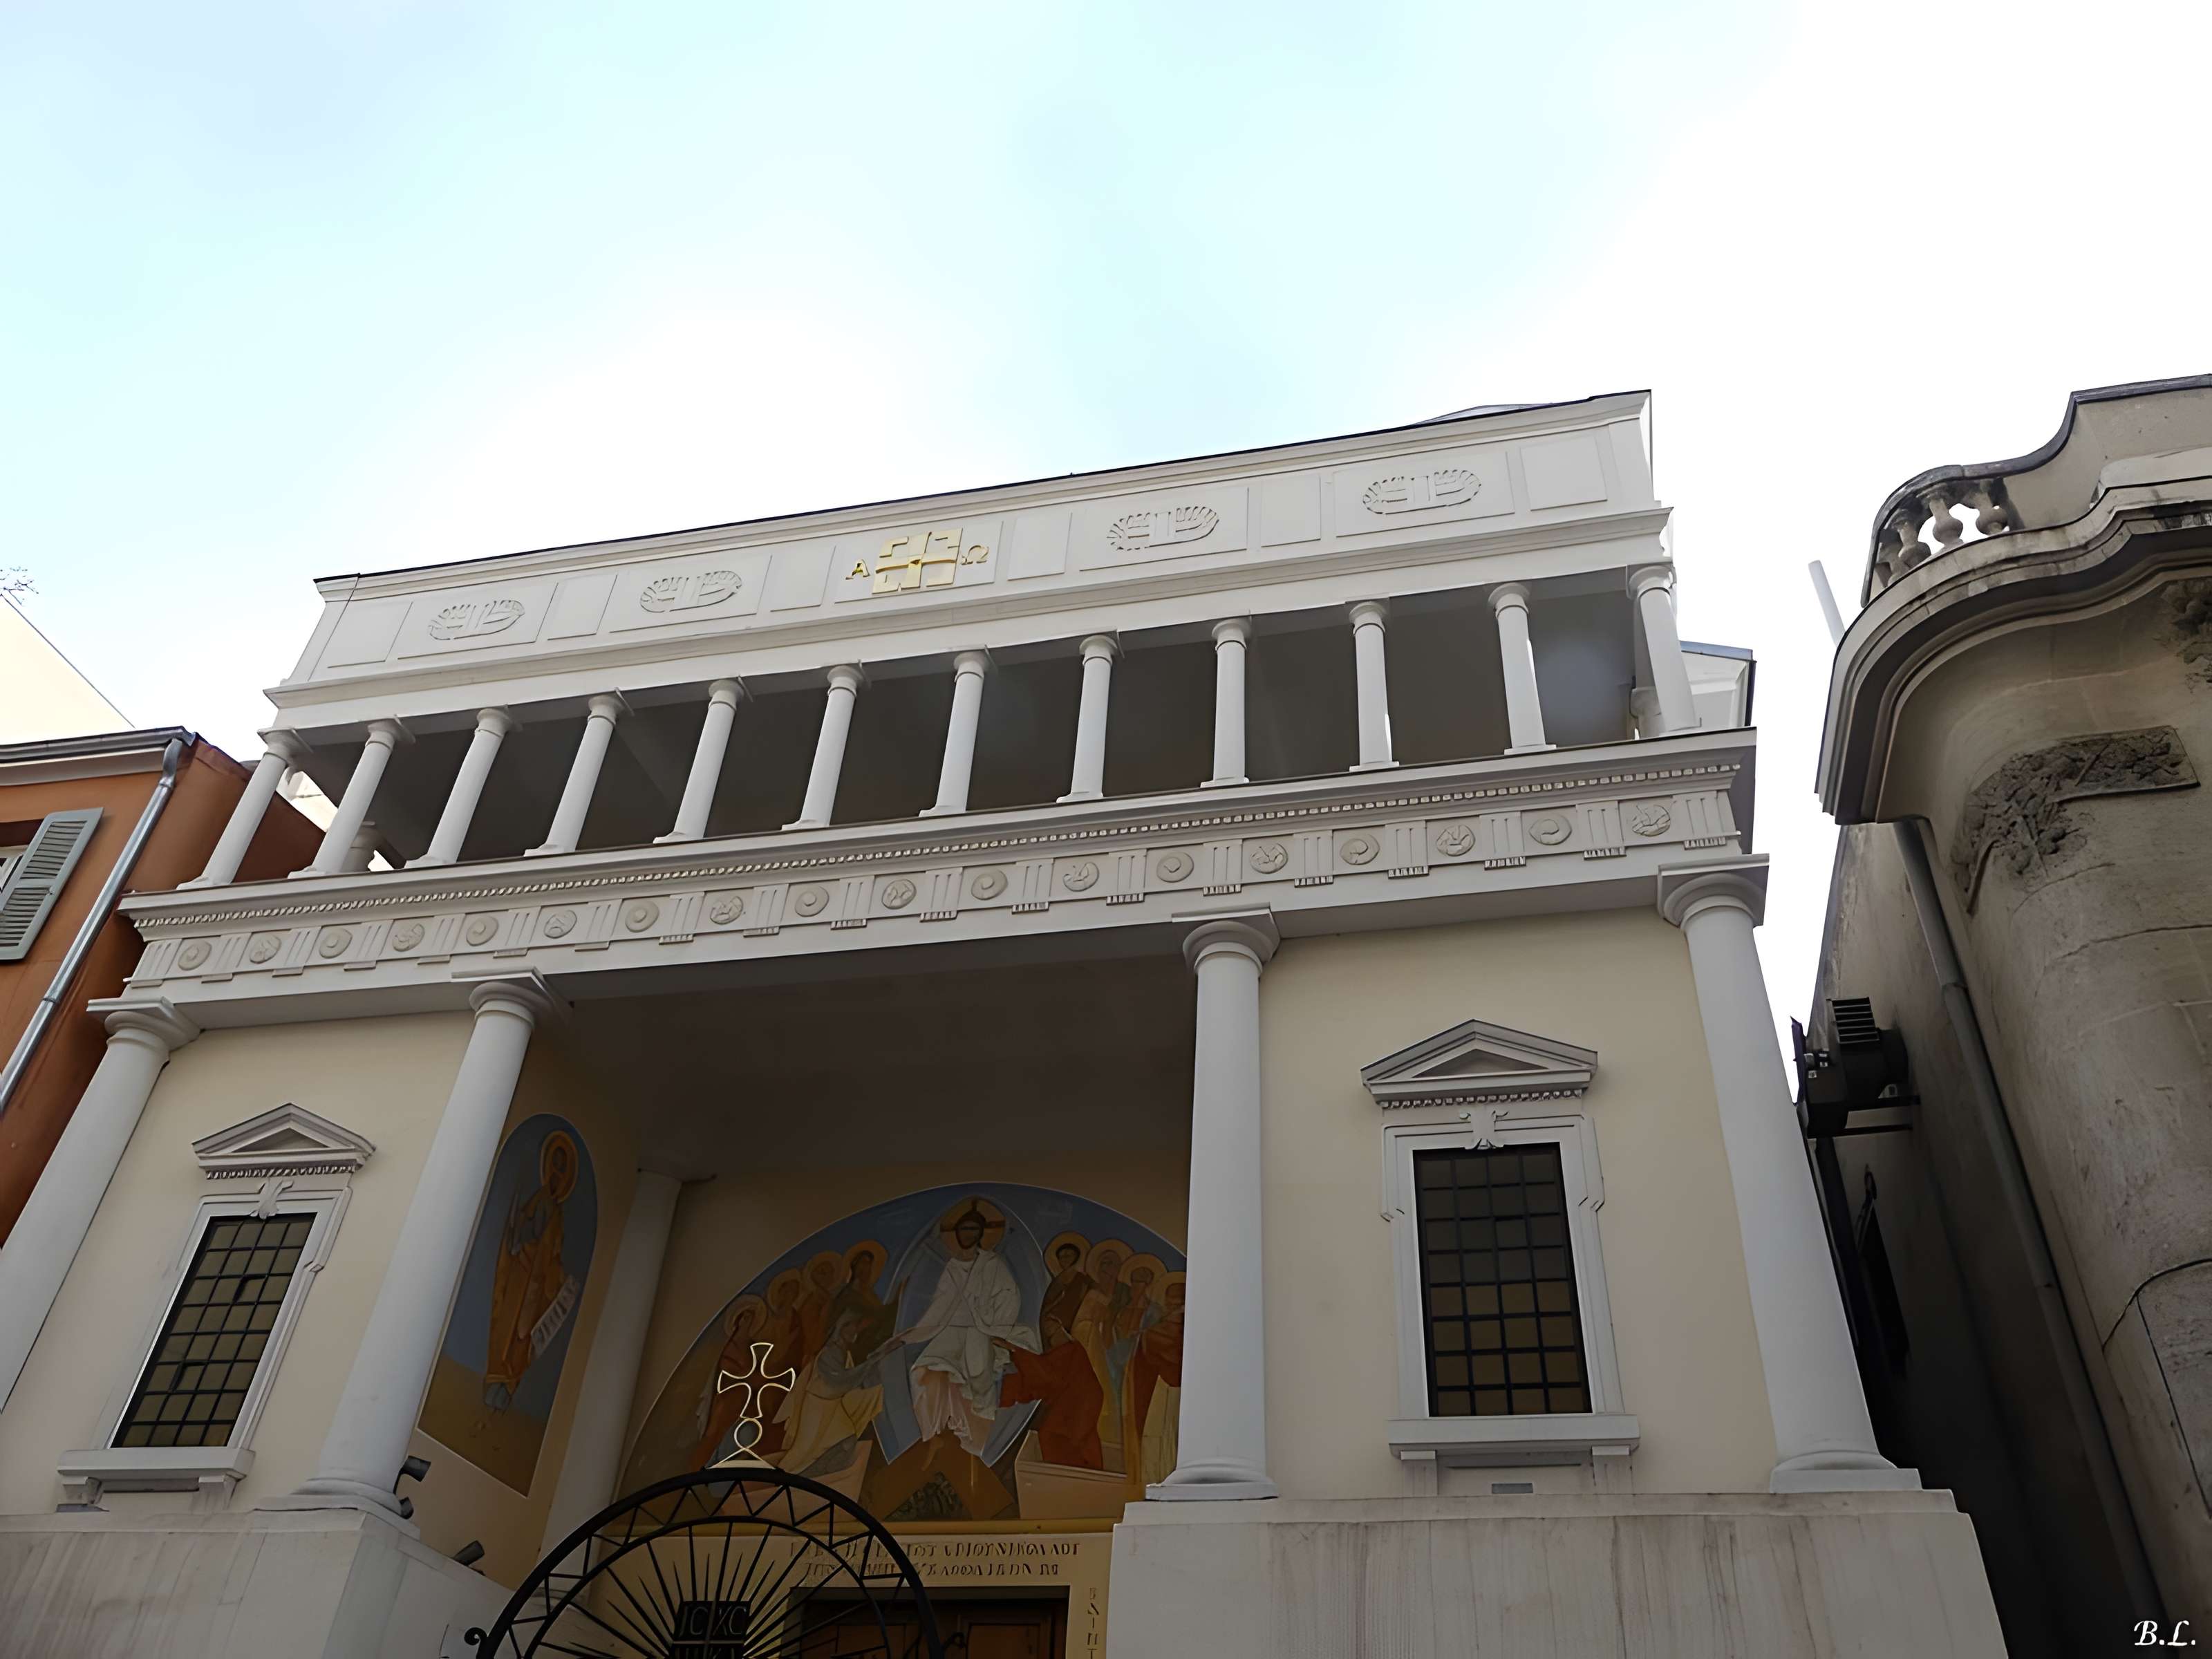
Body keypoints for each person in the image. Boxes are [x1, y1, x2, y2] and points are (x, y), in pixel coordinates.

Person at [897, 1203, 1036, 1458]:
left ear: (981, 1232)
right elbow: (939, 1307)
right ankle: (935, 1434)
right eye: (963, 1228)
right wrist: (909, 1337)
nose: (967, 1233)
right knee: (924, 1372)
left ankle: (969, 1444)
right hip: (950, 1331)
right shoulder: (951, 1266)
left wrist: (994, 1325)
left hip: (979, 1332)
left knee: (975, 1380)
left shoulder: (992, 1263)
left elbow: (1009, 1296)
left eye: (973, 1229)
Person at [484, 1132, 580, 1412]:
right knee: (507, 1331)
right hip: (520, 1279)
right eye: (556, 1167)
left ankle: (506, 1393)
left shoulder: (558, 1214)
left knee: (523, 1341)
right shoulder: (538, 1203)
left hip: (538, 1290)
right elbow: (522, 1237)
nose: (558, 1175)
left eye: (563, 1170)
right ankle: (494, 1389)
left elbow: (554, 1253)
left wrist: (560, 1278)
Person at [775, 1305, 897, 1477]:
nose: (856, 1330)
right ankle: (783, 1476)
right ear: (842, 1327)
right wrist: (871, 1363)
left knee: (847, 1439)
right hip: (816, 1407)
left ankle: (811, 1476)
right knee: (804, 1449)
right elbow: (839, 1380)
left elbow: (850, 1381)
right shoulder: (829, 1352)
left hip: (832, 1407)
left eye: (857, 1326)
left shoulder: (842, 1353)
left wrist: (880, 1356)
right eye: (853, 1325)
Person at [995, 1313, 1105, 1469]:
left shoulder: (1072, 1352)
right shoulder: (1070, 1355)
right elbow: (1049, 1376)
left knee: (1065, 1441)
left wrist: (1014, 1351)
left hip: (1077, 1408)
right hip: (1076, 1402)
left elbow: (1048, 1375)